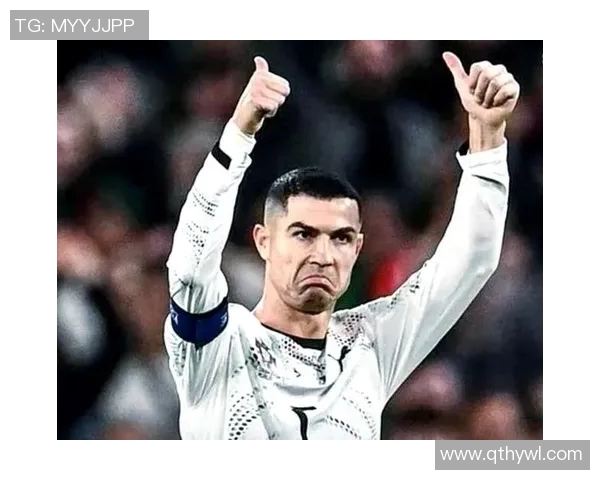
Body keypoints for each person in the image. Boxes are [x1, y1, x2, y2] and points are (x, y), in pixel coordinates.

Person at [164, 52, 519, 440]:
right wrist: (239, 133)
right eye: (303, 234)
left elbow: (471, 260)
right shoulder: (218, 345)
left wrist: (487, 139)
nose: (322, 255)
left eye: (340, 238)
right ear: (263, 241)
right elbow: (190, 266)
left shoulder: (372, 344)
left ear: (357, 248)